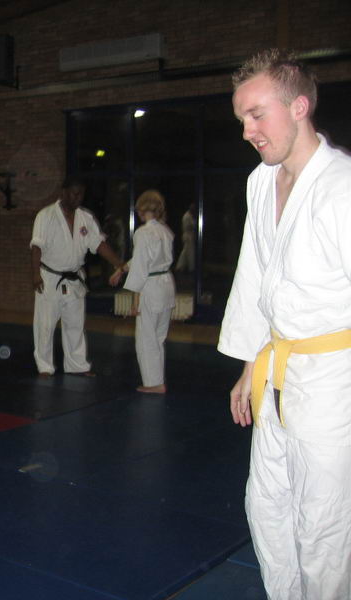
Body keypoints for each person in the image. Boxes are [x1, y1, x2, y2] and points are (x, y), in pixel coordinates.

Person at [218, 49, 351, 599]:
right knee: (267, 505)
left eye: (256, 114)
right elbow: (256, 277)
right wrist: (251, 363)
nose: (247, 131)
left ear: (299, 107)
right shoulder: (260, 181)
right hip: (276, 368)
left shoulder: (342, 187)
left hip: (333, 379)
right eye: (241, 119)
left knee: (324, 525)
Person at [30, 175, 125, 377]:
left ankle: (77, 365)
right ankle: (45, 366)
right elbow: (36, 247)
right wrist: (35, 275)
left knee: (75, 325)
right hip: (49, 278)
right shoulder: (45, 216)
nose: (78, 198)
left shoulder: (86, 218)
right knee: (45, 325)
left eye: (81, 194)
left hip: (74, 279)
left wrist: (118, 263)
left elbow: (99, 244)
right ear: (63, 192)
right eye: (74, 193)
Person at [110, 190, 175, 394]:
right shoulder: (165, 231)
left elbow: (141, 266)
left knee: (146, 337)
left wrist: (134, 300)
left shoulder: (143, 233)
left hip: (151, 287)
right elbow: (145, 259)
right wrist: (121, 270)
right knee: (158, 337)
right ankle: (158, 380)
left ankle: (153, 383)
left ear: (141, 209)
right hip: (166, 284)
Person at [175, 202, 196, 273]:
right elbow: (188, 226)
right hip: (188, 236)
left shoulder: (190, 216)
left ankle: (180, 266)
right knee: (190, 252)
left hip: (190, 235)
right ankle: (191, 267)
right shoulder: (187, 216)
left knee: (185, 252)